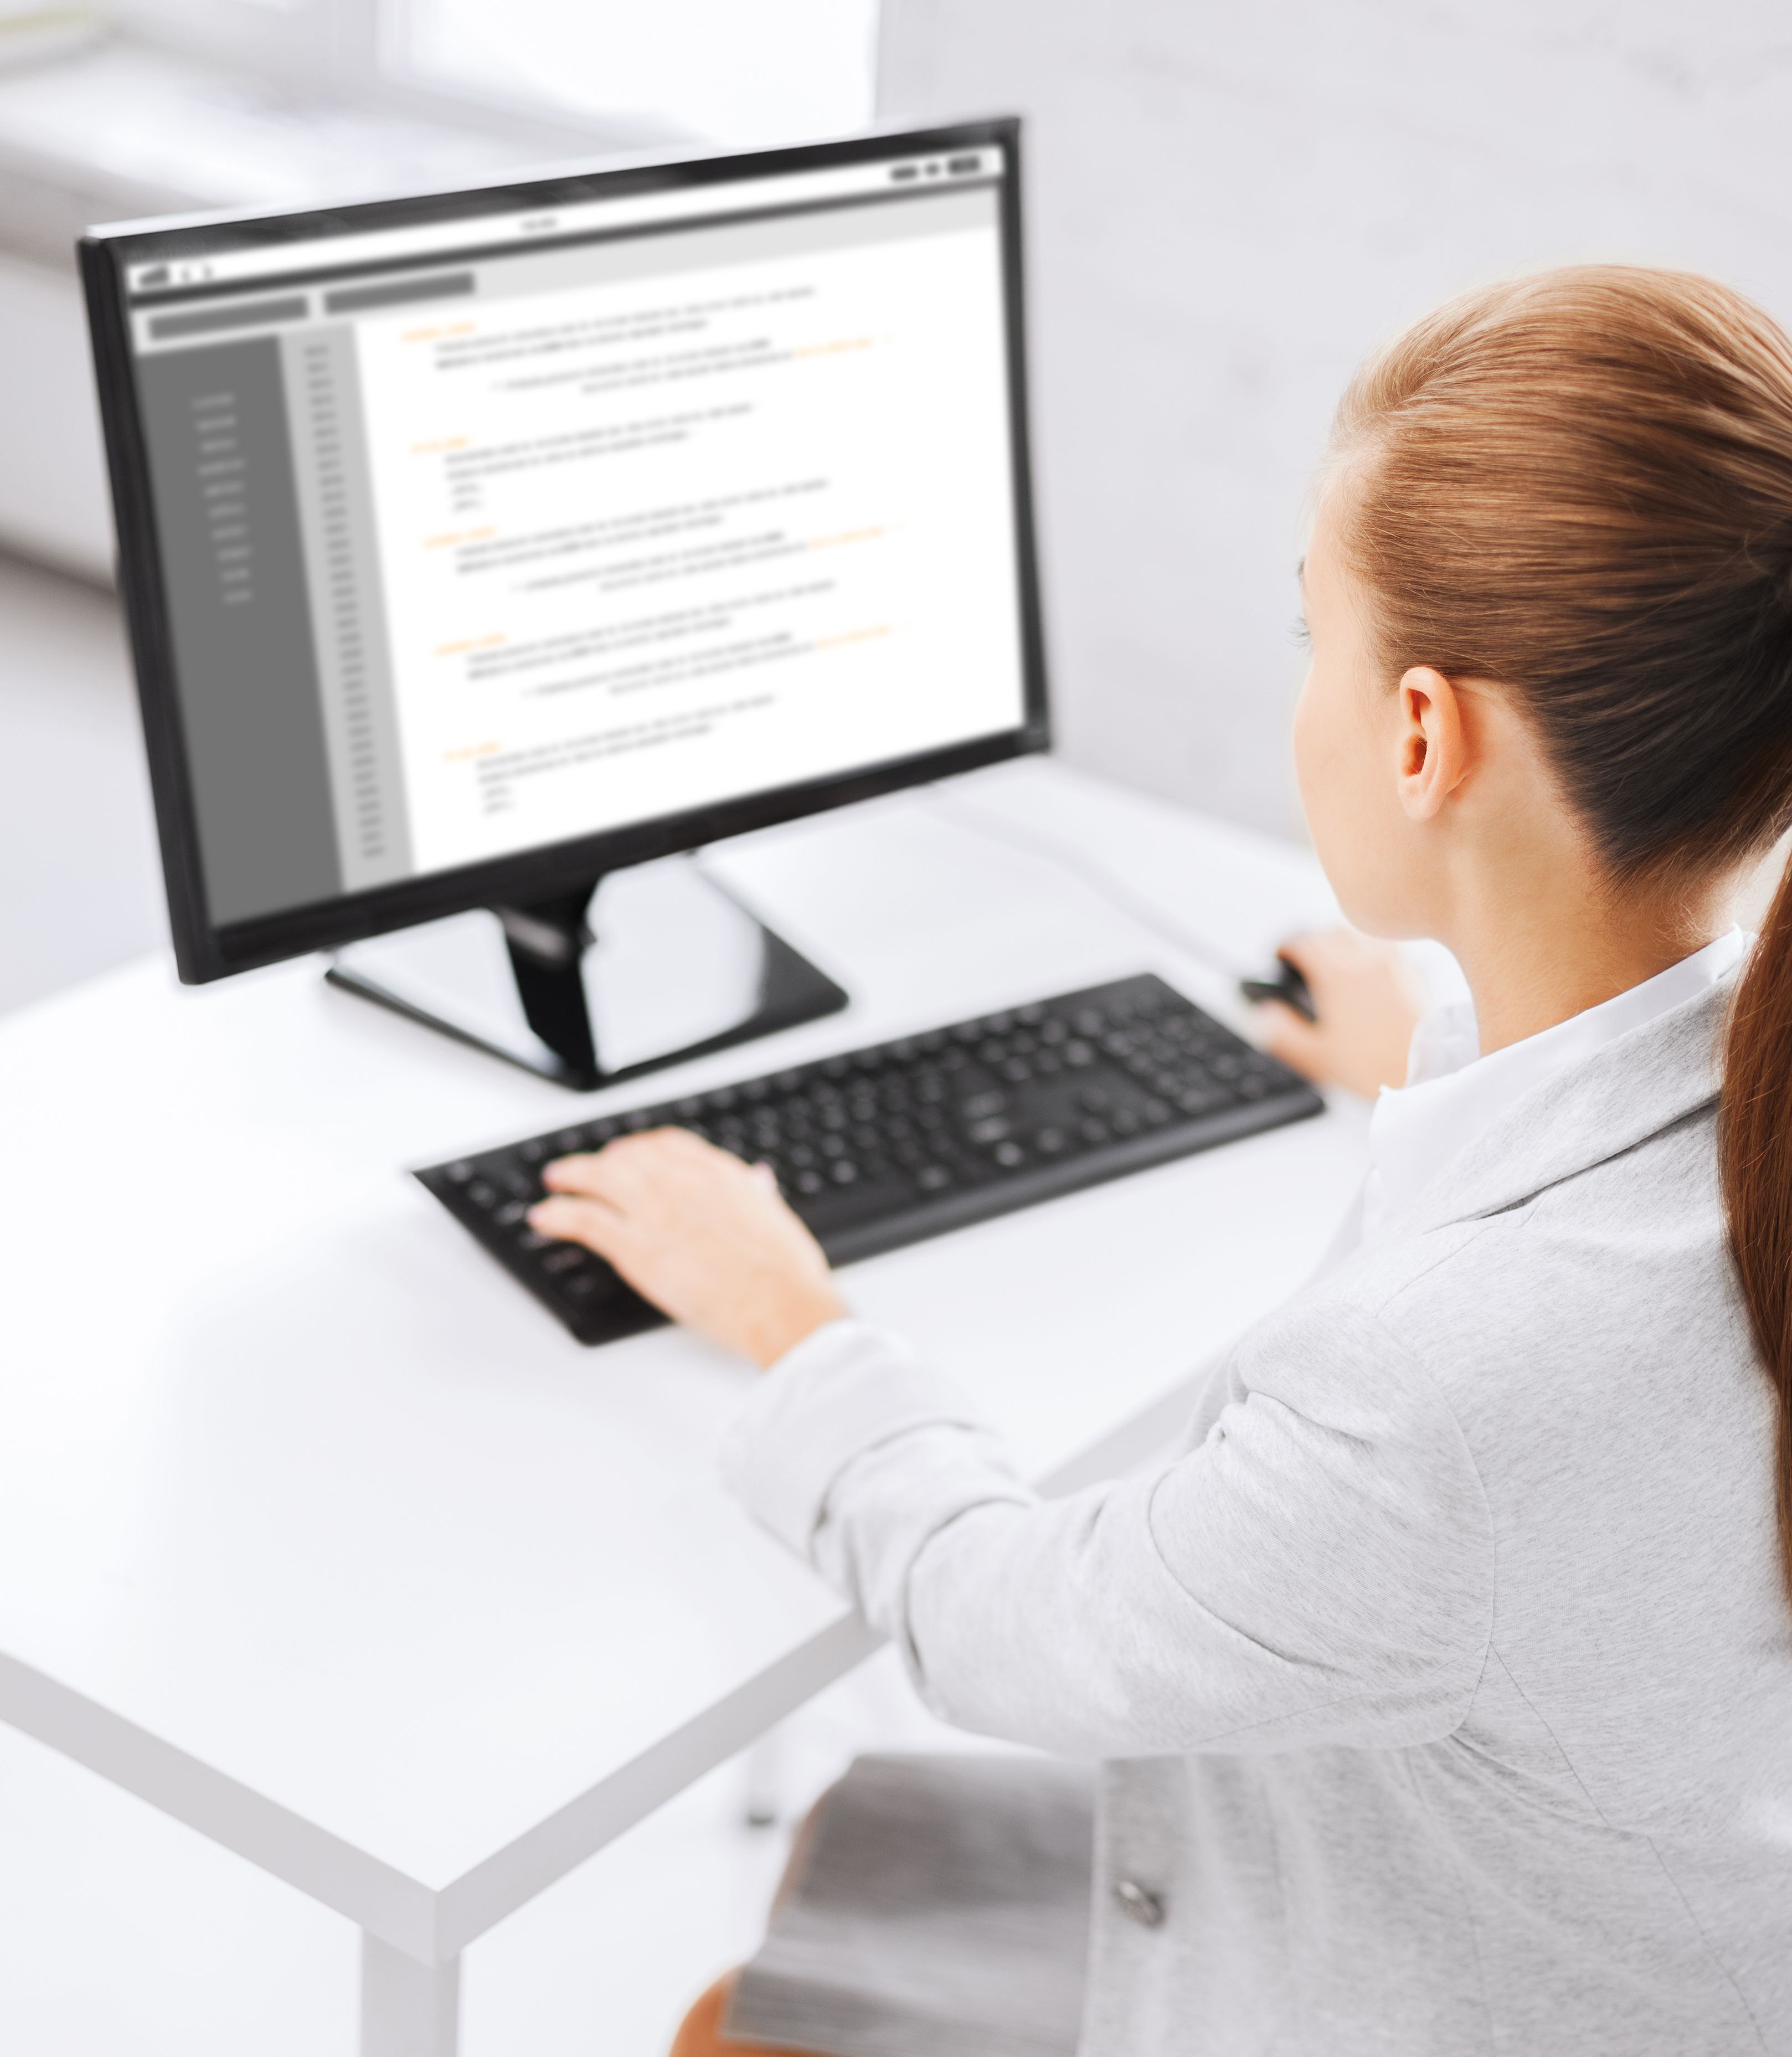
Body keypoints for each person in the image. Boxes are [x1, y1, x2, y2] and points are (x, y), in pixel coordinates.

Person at [529, 266, 1792, 2056]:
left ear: (1421, 731)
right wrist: (1433, 1050)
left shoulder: (1446, 1389)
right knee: (854, 1854)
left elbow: (1004, 1630)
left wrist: (788, 1315)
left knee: (736, 2016)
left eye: (1314, 638)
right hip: (1647, 1958)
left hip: (1425, 1990)